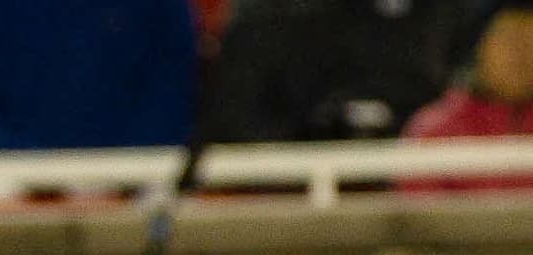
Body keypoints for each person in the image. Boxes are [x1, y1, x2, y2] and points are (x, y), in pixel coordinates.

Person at [0, 0, 196, 154]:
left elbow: (173, 103)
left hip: (136, 191)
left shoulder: (161, 9)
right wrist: (29, 181)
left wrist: (110, 181)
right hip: (0, 196)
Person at [204, 0, 482, 144]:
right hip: (299, 176)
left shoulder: (451, 15)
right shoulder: (274, 19)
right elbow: (236, 119)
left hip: (423, 167)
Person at [405, 0, 533, 189]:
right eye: (510, 41)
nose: (520, 55)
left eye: (530, 42)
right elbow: (417, 205)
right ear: (479, 48)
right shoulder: (436, 131)